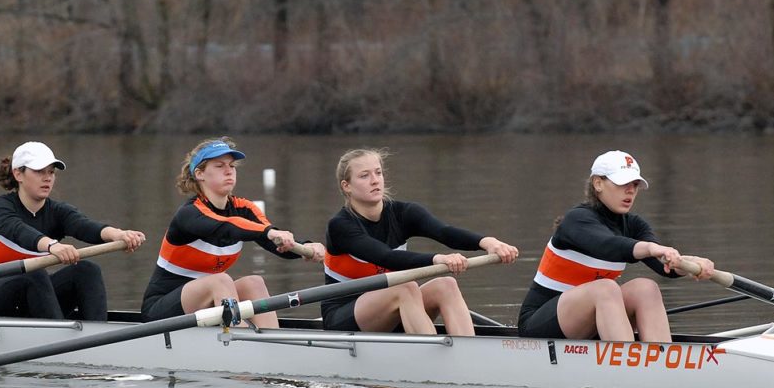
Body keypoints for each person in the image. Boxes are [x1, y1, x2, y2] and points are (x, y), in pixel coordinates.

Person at [517, 149, 715, 342]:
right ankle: (627, 364)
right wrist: (650, 248)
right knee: (605, 288)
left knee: (646, 288)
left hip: (592, 319)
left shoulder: (634, 224)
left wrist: (693, 263)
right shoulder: (577, 220)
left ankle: (661, 361)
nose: (630, 190)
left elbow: (665, 267)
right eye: (622, 183)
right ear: (598, 184)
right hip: (540, 323)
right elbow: (610, 246)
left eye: (635, 184)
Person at [322, 147, 519, 335]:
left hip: (394, 307)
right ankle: (431, 358)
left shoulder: (404, 213)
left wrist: (488, 242)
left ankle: (467, 353)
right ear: (346, 186)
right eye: (364, 176)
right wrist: (437, 259)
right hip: (344, 316)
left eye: (378, 173)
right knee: (406, 287)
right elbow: (386, 257)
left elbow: (445, 232)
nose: (375, 181)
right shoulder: (340, 226)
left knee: (446, 285)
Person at [141, 137, 324, 327]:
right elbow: (227, 226)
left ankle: (272, 343)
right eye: (219, 166)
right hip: (160, 311)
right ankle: (241, 343)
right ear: (200, 174)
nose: (229, 171)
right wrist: (269, 232)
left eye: (232, 165)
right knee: (220, 281)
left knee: (254, 282)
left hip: (206, 305)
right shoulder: (189, 214)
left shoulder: (245, 208)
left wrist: (306, 246)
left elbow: (275, 243)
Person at [0, 141, 145, 320]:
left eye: (51, 172)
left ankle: (97, 336)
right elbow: (20, 231)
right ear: (18, 174)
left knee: (87, 270)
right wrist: (52, 246)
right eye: (39, 171)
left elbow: (84, 226)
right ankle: (58, 337)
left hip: (29, 298)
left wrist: (118, 235)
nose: (47, 178)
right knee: (34, 272)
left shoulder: (57, 211)